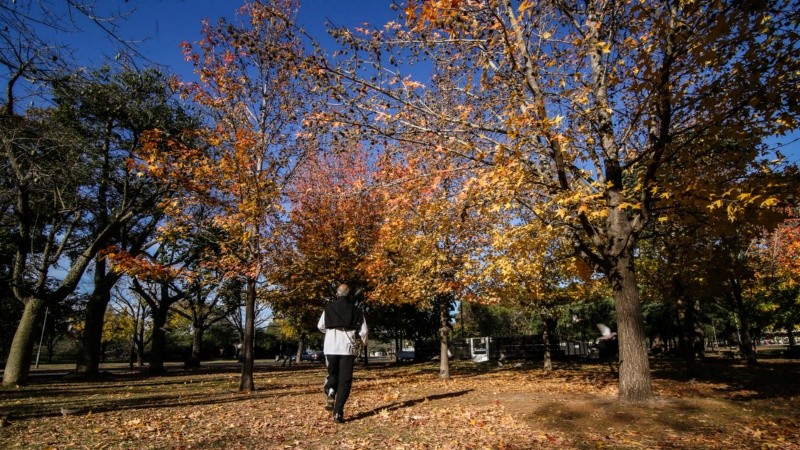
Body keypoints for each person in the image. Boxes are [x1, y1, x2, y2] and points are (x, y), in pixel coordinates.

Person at [317, 284, 368, 423]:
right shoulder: (357, 310)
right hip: (347, 349)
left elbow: (320, 326)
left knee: (332, 374)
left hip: (331, 347)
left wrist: (329, 331)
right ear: (349, 294)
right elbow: (364, 331)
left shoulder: (328, 309)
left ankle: (331, 391)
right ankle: (338, 412)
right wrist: (364, 342)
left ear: (337, 294)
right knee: (345, 381)